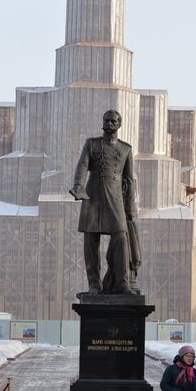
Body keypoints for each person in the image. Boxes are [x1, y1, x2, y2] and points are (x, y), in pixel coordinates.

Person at [70, 110, 137, 295]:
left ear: (119, 124)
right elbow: (82, 165)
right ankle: (94, 284)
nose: (109, 124)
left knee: (121, 237)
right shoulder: (91, 144)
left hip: (115, 199)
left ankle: (123, 283)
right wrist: (78, 186)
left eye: (113, 121)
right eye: (106, 121)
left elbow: (129, 180)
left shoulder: (126, 149)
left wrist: (130, 207)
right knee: (91, 240)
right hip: (92, 196)